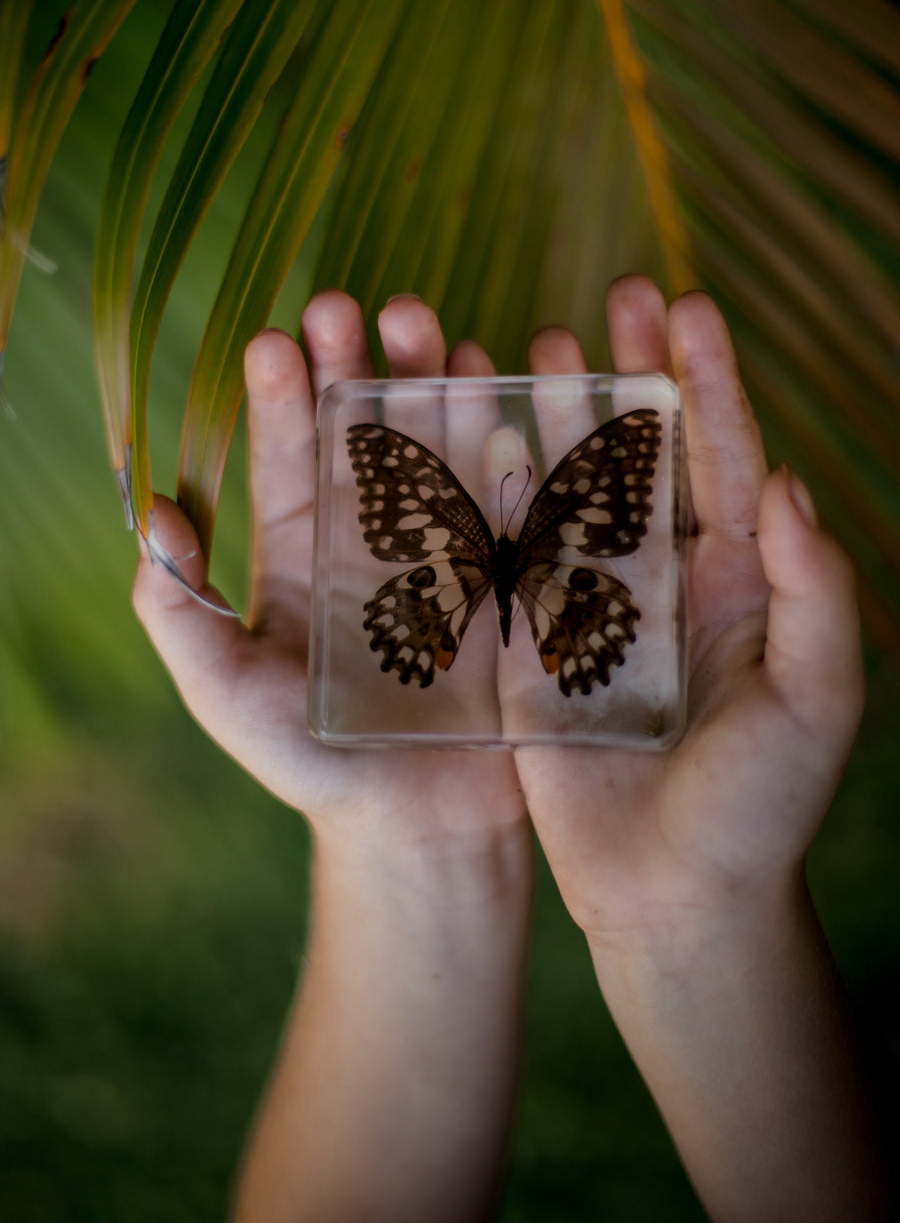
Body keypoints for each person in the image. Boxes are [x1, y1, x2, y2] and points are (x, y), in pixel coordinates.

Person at [133, 277, 891, 1222]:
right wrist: (417, 847)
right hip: (544, 597)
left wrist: (704, 912)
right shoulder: (550, 530)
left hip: (448, 597)